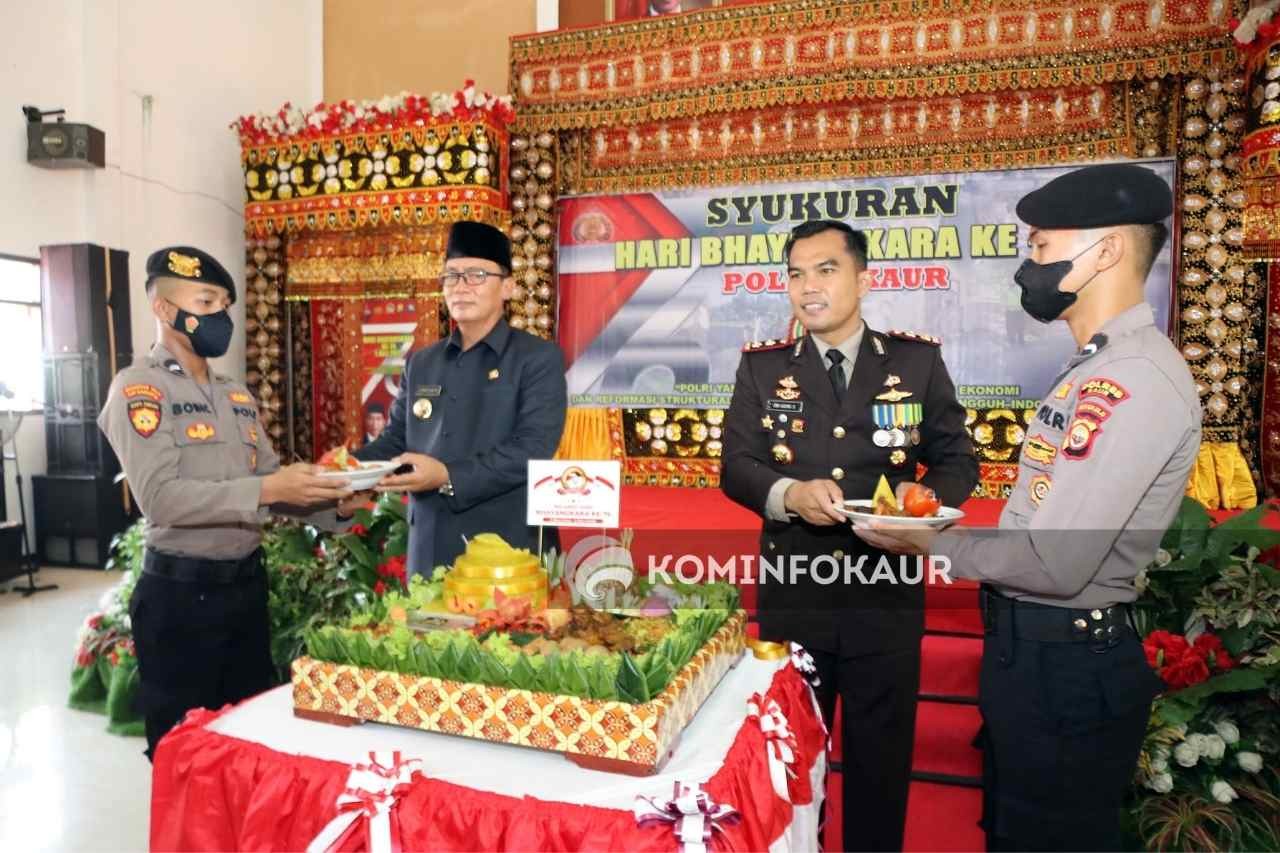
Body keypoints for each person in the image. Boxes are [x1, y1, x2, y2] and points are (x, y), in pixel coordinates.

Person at [856, 163, 1196, 851]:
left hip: (1066, 668)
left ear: (1105, 252)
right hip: (1037, 655)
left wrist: (928, 542)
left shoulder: (1131, 378)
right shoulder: (1097, 366)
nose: (1027, 266)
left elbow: (1056, 562)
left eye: (1041, 246)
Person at [721, 219, 978, 851]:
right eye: (795, 274)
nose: (808, 287)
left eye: (825, 270)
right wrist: (788, 495)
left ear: (863, 280)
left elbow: (958, 460)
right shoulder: (762, 368)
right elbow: (737, 466)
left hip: (884, 594)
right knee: (789, 764)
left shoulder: (915, 363)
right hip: (795, 595)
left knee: (879, 768)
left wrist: (917, 507)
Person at [99, 246, 363, 760]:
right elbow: (161, 499)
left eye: (224, 304)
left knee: (250, 744)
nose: (219, 315)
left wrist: (336, 503)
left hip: (244, 591)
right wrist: (271, 489)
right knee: (186, 753)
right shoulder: (140, 389)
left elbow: (269, 481)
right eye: (205, 302)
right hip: (180, 598)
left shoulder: (235, 394)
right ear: (163, 308)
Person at [357, 221, 567, 576]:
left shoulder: (537, 358)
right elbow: (396, 440)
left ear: (508, 287)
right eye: (451, 276)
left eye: (476, 275)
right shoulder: (422, 362)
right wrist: (342, 470)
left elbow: (531, 449)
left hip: (507, 547)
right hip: (429, 545)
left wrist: (447, 476)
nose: (460, 286)